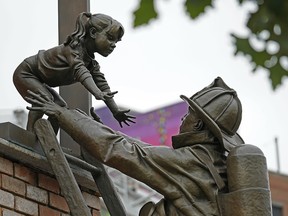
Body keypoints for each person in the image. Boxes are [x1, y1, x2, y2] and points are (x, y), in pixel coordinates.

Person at [25, 77, 244, 216]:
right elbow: (141, 150)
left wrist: (63, 115)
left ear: (197, 124)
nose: (182, 119)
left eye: (188, 114)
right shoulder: (215, 164)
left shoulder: (192, 161)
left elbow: (124, 151)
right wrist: (91, 126)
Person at [13, 12, 135, 132]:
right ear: (93, 33)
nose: (113, 45)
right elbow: (81, 72)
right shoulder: (72, 50)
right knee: (44, 99)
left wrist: (115, 111)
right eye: (110, 38)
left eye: (116, 42)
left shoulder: (91, 62)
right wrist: (97, 92)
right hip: (26, 73)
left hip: (39, 79)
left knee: (59, 109)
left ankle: (49, 141)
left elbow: (102, 85)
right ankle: (30, 135)